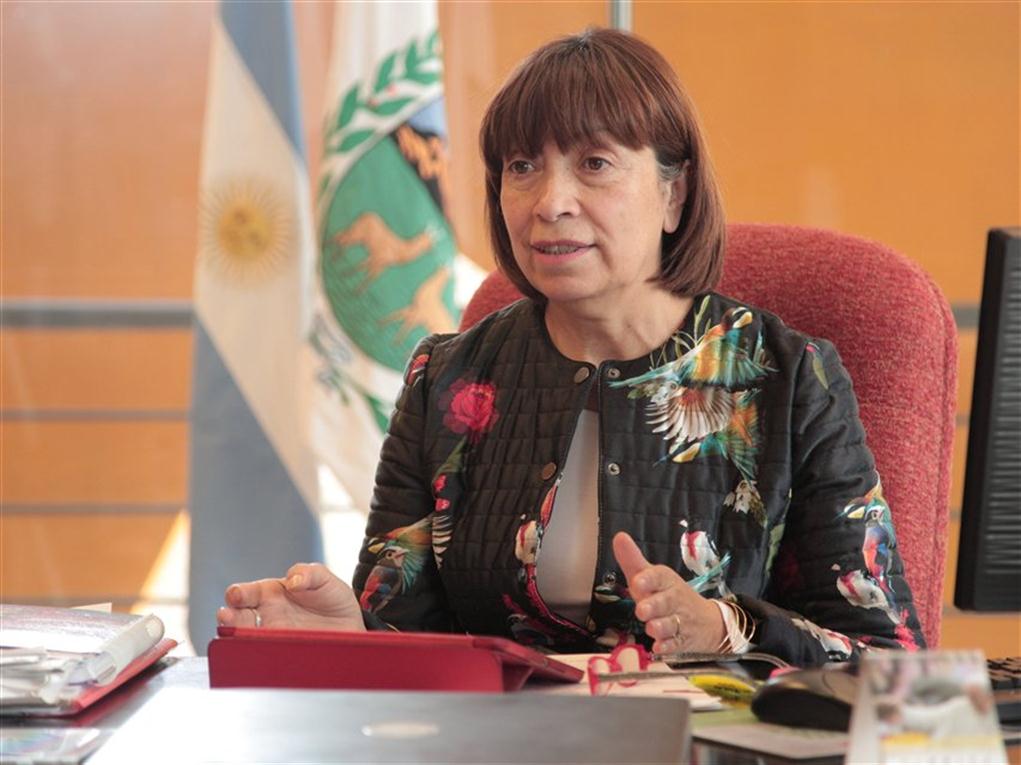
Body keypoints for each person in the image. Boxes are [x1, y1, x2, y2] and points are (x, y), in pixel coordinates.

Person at [218, 27, 924, 666]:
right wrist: (348, 635)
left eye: (593, 163)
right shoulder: (447, 378)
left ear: (674, 194)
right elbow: (411, 645)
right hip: (497, 743)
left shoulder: (788, 379)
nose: (549, 201)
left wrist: (726, 625)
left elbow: (888, 661)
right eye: (522, 166)